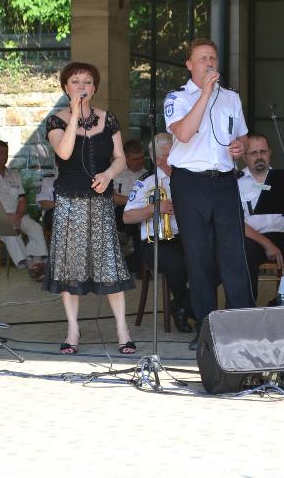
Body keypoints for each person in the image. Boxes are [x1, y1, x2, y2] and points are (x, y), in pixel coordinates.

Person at [164, 38, 253, 350]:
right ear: (189, 65)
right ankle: (205, 327)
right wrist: (204, 94)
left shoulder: (231, 98)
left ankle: (241, 323)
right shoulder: (177, 97)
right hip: (190, 182)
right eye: (202, 58)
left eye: (212, 57)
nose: (209, 63)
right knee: (198, 254)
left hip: (225, 180)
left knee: (234, 252)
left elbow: (243, 137)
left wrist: (242, 146)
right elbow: (184, 133)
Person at [43, 61, 136, 355]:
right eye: (75, 81)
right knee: (70, 268)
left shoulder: (108, 119)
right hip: (70, 203)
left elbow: (120, 158)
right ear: (65, 87)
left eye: (87, 82)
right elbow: (64, 152)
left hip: (101, 203)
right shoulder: (56, 121)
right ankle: (73, 330)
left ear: (94, 88)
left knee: (109, 265)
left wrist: (108, 175)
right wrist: (74, 116)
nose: (81, 86)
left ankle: (122, 330)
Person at [123, 132, 194, 333]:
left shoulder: (188, 177)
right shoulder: (147, 182)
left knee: (211, 262)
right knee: (178, 265)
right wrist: (155, 208)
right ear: (160, 159)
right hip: (155, 241)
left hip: (185, 237)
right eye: (173, 153)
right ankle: (189, 307)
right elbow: (127, 217)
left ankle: (182, 305)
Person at [0, 140, 48, 281]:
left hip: (17, 215)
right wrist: (6, 217)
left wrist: (18, 215)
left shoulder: (14, 174)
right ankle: (31, 266)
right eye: (1, 153)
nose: (5, 156)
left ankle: (38, 263)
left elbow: (22, 199)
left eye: (6, 152)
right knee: (11, 233)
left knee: (36, 227)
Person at [237, 133, 284, 300]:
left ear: (270, 152)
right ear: (244, 156)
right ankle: (247, 306)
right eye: (253, 153)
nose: (259, 157)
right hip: (254, 239)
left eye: (263, 152)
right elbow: (236, 222)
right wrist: (267, 243)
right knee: (244, 253)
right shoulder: (235, 183)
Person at [113, 139, 145, 271]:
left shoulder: (147, 175)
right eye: (136, 159)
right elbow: (112, 197)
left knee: (140, 228)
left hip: (142, 213)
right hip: (119, 213)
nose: (140, 161)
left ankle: (140, 266)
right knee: (124, 209)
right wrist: (132, 201)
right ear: (126, 158)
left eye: (142, 157)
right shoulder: (115, 172)